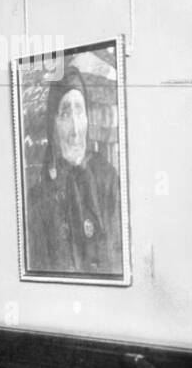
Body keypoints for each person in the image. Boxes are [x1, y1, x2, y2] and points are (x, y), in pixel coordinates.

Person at [25, 66, 124, 276]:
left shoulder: (109, 181)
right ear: (53, 125)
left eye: (80, 111)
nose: (75, 130)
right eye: (65, 114)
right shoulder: (37, 198)